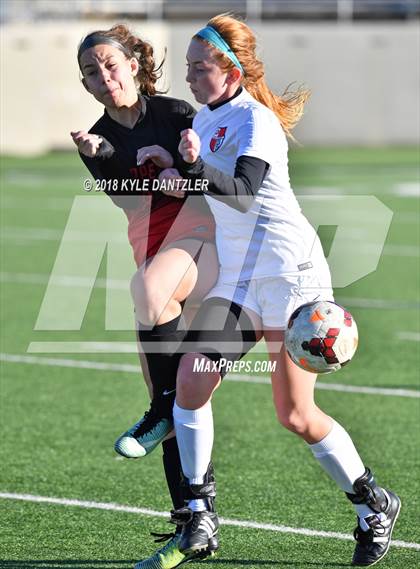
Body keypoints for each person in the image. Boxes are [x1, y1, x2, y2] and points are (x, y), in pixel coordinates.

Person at [129, 14, 401, 567]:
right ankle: (200, 515)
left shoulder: (256, 121)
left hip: (292, 278)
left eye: (200, 68)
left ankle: (373, 502)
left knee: (295, 414)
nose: (190, 78)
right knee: (190, 380)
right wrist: (171, 163)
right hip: (239, 280)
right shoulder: (205, 120)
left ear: (230, 69)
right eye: (187, 68)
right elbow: (206, 184)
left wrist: (193, 168)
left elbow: (245, 189)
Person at [71, 24, 220, 569]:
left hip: (198, 251)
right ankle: (192, 519)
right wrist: (104, 158)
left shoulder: (178, 113)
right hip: (153, 258)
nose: (102, 76)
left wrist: (178, 161)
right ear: (86, 85)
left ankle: (191, 501)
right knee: (175, 392)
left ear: (134, 63)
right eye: (91, 72)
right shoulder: (94, 135)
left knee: (171, 395)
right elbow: (127, 204)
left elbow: (206, 178)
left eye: (110, 64)